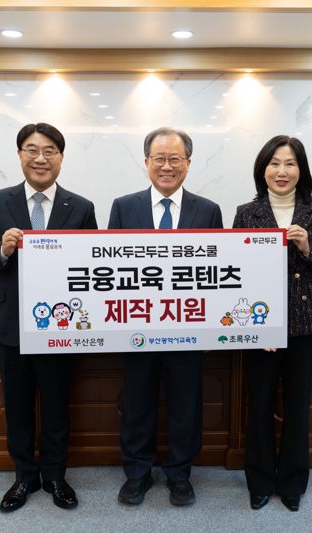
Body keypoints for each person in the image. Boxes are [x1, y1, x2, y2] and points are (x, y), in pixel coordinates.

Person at [0, 123, 98, 512]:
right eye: (32, 150)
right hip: (12, 323)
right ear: (20, 155)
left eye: (49, 151)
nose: (41, 158)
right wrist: (2, 249)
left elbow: (93, 262)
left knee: (56, 406)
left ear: (61, 157)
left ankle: (55, 476)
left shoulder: (81, 207)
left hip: (61, 324)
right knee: (18, 406)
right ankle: (24, 477)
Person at [108, 127, 223, 507]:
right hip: (137, 327)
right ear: (146, 162)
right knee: (136, 404)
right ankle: (137, 474)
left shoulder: (208, 211)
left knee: (185, 406)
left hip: (188, 329)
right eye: (160, 158)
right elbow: (109, 270)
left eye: (175, 159)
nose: (167, 166)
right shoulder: (123, 207)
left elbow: (217, 273)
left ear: (188, 163)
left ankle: (179, 474)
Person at [232, 135, 312, 512]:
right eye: (275, 163)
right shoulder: (246, 213)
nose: (282, 171)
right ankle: (260, 481)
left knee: (298, 406)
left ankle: (293, 481)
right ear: (262, 169)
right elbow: (236, 273)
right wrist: (257, 327)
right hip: (260, 324)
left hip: (306, 324)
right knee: (260, 405)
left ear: (301, 170)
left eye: (290, 163)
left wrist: (308, 248)